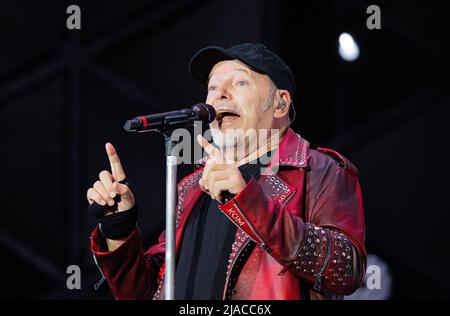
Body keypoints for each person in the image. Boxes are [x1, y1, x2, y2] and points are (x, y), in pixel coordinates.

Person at [86, 43, 366, 300]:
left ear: (280, 103)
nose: (219, 94)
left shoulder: (319, 170)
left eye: (241, 82)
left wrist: (248, 200)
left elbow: (345, 271)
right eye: (212, 87)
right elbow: (149, 293)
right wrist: (118, 230)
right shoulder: (194, 186)